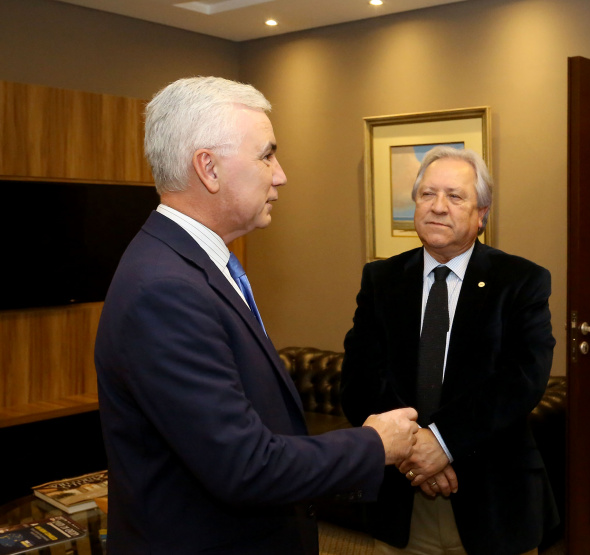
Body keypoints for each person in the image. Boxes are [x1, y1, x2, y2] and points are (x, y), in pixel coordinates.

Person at [94, 76, 418, 554]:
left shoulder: (193, 265)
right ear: (209, 168)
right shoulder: (166, 289)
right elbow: (244, 465)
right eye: (266, 155)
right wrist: (375, 444)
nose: (280, 174)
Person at [340, 146, 558, 555]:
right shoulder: (381, 279)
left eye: (455, 196)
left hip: (493, 502)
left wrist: (442, 443)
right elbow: (359, 382)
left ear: (482, 214)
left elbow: (520, 381)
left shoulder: (521, 281)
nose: (438, 207)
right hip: (402, 498)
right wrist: (414, 453)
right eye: (428, 194)